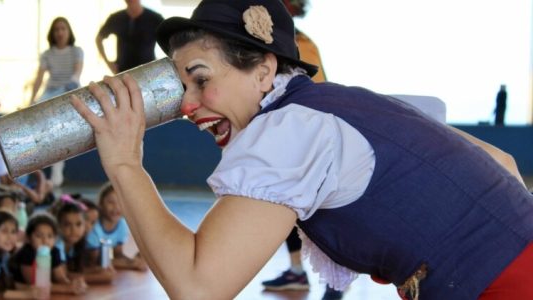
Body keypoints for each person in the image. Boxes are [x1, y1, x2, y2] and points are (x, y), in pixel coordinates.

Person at [71, 0, 533, 299]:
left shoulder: (288, 132)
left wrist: (125, 163)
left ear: (263, 71)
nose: (188, 106)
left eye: (201, 79)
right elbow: (503, 163)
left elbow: (199, 287)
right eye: (181, 87)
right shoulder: (348, 101)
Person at [261, 0, 336, 297]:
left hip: (304, 138)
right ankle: (297, 272)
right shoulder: (279, 40)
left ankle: (334, 278)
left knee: (319, 212)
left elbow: (316, 93)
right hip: (285, 137)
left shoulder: (299, 43)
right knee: (287, 207)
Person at [30, 17, 84, 187]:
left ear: (69, 32)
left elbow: (77, 73)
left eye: (63, 29)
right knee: (41, 125)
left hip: (69, 92)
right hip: (50, 93)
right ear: (52, 33)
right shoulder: (46, 54)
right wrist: (32, 100)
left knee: (60, 134)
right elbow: (39, 78)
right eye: (56, 29)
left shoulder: (77, 51)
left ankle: (57, 172)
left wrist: (71, 84)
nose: (60, 32)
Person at [10, 214, 87, 295]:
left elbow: (60, 278)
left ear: (55, 238)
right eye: (39, 236)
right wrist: (66, 289)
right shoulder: (26, 253)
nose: (45, 241)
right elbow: (34, 284)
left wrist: (74, 285)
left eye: (50, 236)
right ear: (28, 238)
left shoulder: (54, 251)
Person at [86, 182, 147, 271]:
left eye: (120, 202)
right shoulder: (94, 226)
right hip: (86, 261)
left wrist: (134, 260)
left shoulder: (121, 225)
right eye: (111, 202)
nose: (116, 207)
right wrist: (131, 264)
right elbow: (96, 261)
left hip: (98, 260)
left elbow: (117, 255)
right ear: (101, 204)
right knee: (107, 276)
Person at [95, 0, 164, 74]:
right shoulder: (116, 18)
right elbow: (99, 39)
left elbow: (170, 39)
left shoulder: (155, 18)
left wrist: (163, 63)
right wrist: (108, 63)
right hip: (122, 72)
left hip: (148, 72)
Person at [54, 202, 114, 284]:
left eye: (78, 224)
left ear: (84, 226)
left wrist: (100, 269)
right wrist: (100, 278)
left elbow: (76, 270)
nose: (73, 230)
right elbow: (64, 275)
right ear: (59, 227)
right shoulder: (57, 245)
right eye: (67, 224)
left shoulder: (78, 243)